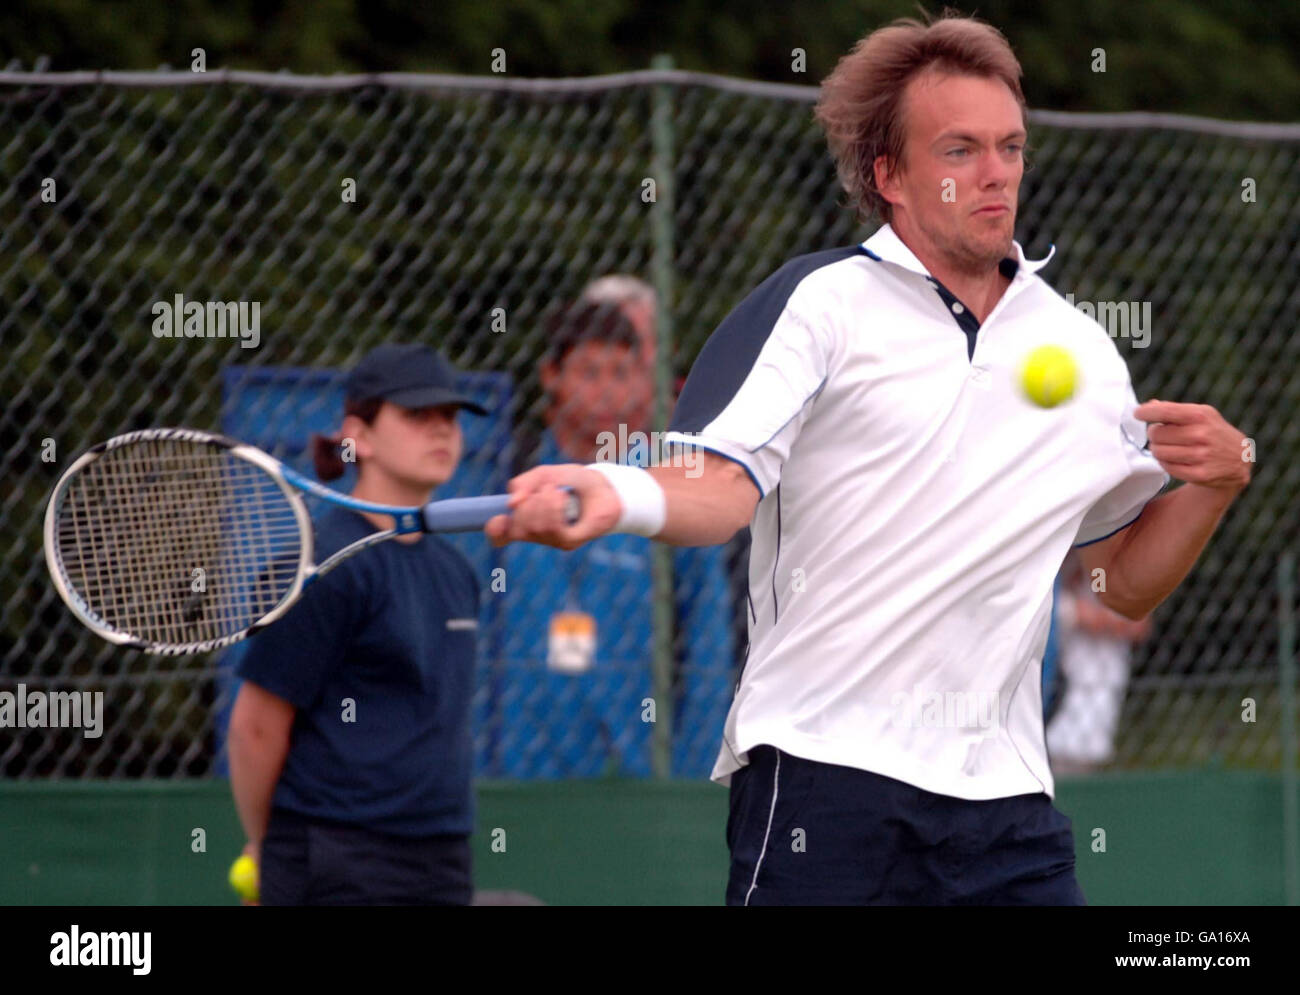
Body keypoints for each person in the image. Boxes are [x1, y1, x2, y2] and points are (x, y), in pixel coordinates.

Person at [485, 12, 1252, 905]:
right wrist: (616, 490)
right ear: (889, 174)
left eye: (1009, 147)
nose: (995, 172)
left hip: (1008, 802)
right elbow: (723, 485)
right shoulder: (819, 306)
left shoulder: (1084, 354)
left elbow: (1120, 584)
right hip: (823, 779)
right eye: (959, 150)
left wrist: (1218, 482)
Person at [226, 343, 488, 905]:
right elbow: (255, 726)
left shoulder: (458, 571)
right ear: (359, 437)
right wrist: (265, 848)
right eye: (418, 416)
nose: (441, 430)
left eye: (450, 417)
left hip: (444, 855)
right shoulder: (321, 564)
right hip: (333, 857)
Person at [485, 301, 733, 777]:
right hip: (513, 769)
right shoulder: (505, 479)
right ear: (551, 375)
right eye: (590, 371)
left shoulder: (672, 490)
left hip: (637, 769)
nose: (606, 391)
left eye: (622, 372)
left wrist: (691, 774)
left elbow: (708, 646)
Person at [1047, 551, 1153, 774]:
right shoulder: (1056, 565)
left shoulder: (1108, 571)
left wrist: (1089, 615)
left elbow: (1137, 624)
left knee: (1076, 765)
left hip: (1093, 687)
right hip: (1054, 682)